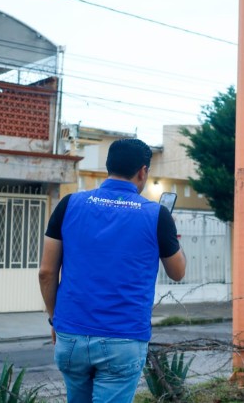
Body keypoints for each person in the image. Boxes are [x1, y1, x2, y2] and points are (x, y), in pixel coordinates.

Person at [39, 138, 187, 403]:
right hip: (123, 339)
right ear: (143, 171)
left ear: (109, 166)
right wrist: (171, 233)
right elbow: (178, 272)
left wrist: (54, 319)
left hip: (71, 334)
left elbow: (46, 273)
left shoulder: (69, 204)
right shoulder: (156, 215)